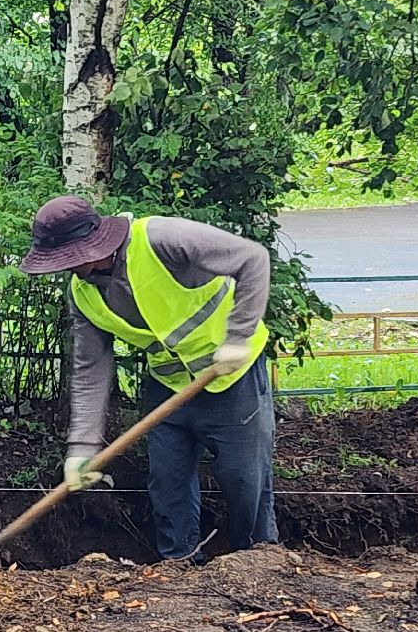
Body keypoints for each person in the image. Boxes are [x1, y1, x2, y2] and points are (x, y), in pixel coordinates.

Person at [19, 194, 277, 561]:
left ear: (92, 243)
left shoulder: (161, 239)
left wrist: (237, 338)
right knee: (167, 483)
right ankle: (178, 566)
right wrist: (82, 449)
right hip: (168, 385)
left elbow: (253, 259)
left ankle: (258, 561)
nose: (68, 269)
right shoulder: (83, 294)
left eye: (70, 259)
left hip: (232, 380)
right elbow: (90, 370)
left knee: (243, 480)